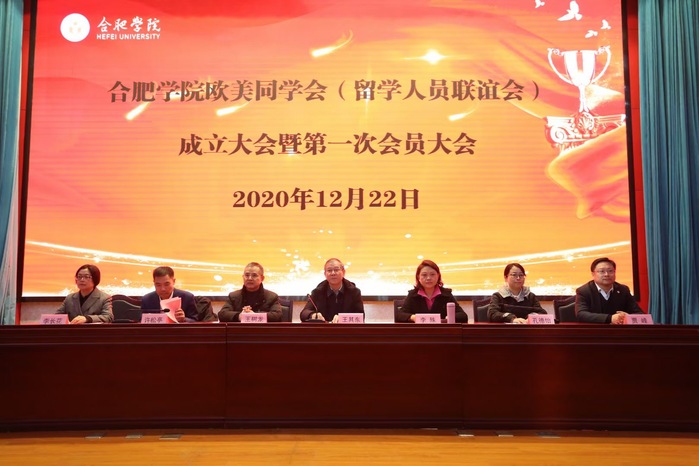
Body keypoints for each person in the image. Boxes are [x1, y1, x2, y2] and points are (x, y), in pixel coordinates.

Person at [395, 259, 468, 323]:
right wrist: (413, 317)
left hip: (441, 332)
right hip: (419, 332)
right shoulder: (413, 295)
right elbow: (400, 315)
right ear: (418, 277)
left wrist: (449, 317)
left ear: (438, 276)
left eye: (432, 274)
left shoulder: (446, 294)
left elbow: (463, 316)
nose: (428, 278)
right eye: (424, 275)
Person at [576, 257, 644, 324]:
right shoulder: (584, 291)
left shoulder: (623, 290)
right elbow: (581, 314)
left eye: (610, 271)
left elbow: (640, 314)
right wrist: (610, 318)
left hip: (619, 330)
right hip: (595, 330)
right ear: (593, 274)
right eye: (602, 271)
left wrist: (628, 317)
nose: (606, 274)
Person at [300, 258, 364, 322]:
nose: (333, 273)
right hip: (324, 328)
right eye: (329, 270)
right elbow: (304, 313)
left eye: (336, 270)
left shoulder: (354, 292)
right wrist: (312, 315)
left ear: (343, 272)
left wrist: (342, 318)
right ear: (325, 274)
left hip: (346, 328)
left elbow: (361, 316)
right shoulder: (318, 292)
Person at [218, 262, 282, 322]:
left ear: (262, 278)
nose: (250, 278)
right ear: (243, 277)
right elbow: (222, 314)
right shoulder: (234, 296)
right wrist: (239, 316)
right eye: (247, 275)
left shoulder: (271, 297)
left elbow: (277, 316)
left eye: (254, 275)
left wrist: (254, 316)